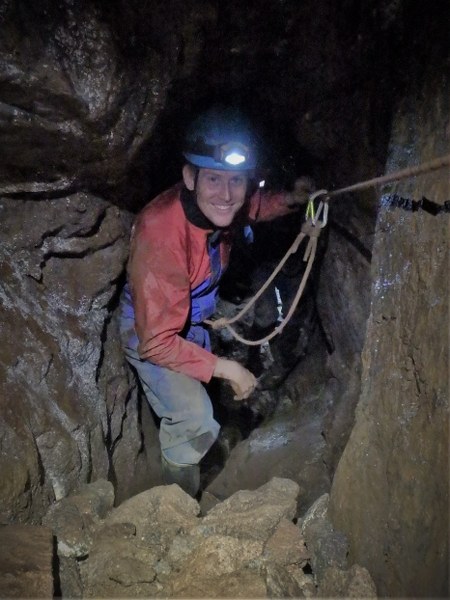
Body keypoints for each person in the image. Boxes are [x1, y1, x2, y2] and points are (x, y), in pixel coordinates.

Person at [120, 106, 311, 497]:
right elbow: (156, 339)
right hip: (151, 327)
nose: (226, 194)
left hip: (192, 319)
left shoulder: (222, 208)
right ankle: (177, 503)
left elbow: (250, 208)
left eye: (236, 181)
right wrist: (227, 368)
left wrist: (292, 199)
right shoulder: (161, 234)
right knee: (194, 418)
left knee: (205, 392)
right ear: (189, 177)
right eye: (213, 178)